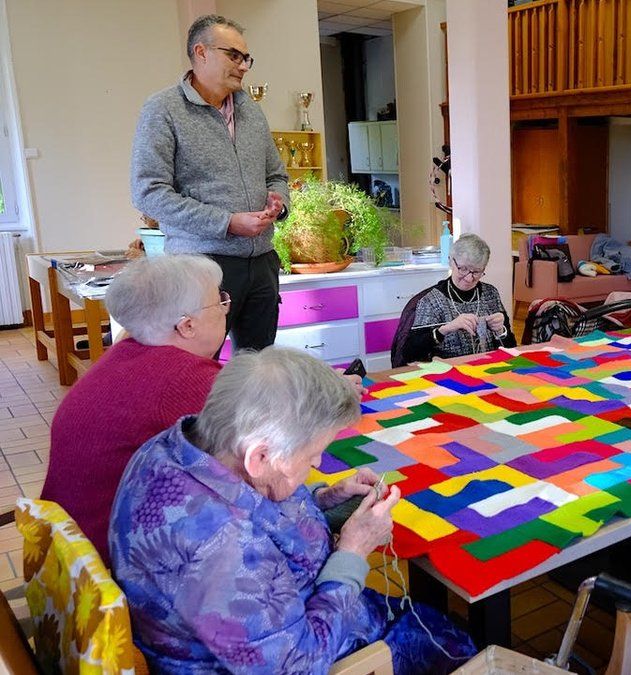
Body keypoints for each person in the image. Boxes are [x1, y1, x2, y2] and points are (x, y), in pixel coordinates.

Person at [110, 348, 476, 673]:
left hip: (278, 613)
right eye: (311, 454)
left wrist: (325, 500)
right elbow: (299, 665)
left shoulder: (177, 447)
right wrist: (353, 552)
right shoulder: (222, 546)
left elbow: (254, 508)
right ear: (260, 457)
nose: (317, 461)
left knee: (433, 620)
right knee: (455, 645)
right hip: (304, 651)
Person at [41, 255, 226, 563]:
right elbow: (256, 458)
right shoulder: (186, 378)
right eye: (219, 300)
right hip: (113, 569)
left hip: (63, 558)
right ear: (187, 325)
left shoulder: (126, 353)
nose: (224, 308)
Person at [131, 14, 289, 352]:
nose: (244, 66)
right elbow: (148, 192)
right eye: (234, 55)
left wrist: (280, 202)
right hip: (200, 267)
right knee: (197, 370)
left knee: (258, 370)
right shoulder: (163, 110)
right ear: (200, 52)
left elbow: (276, 173)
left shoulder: (251, 111)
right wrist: (227, 223)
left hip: (262, 263)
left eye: (246, 58)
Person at [396, 233, 516, 365]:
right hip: (450, 374)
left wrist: (501, 331)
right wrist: (445, 329)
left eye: (476, 272)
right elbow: (410, 353)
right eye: (463, 269)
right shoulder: (431, 301)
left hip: (487, 369)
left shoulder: (490, 294)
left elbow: (511, 348)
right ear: (451, 261)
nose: (469, 278)